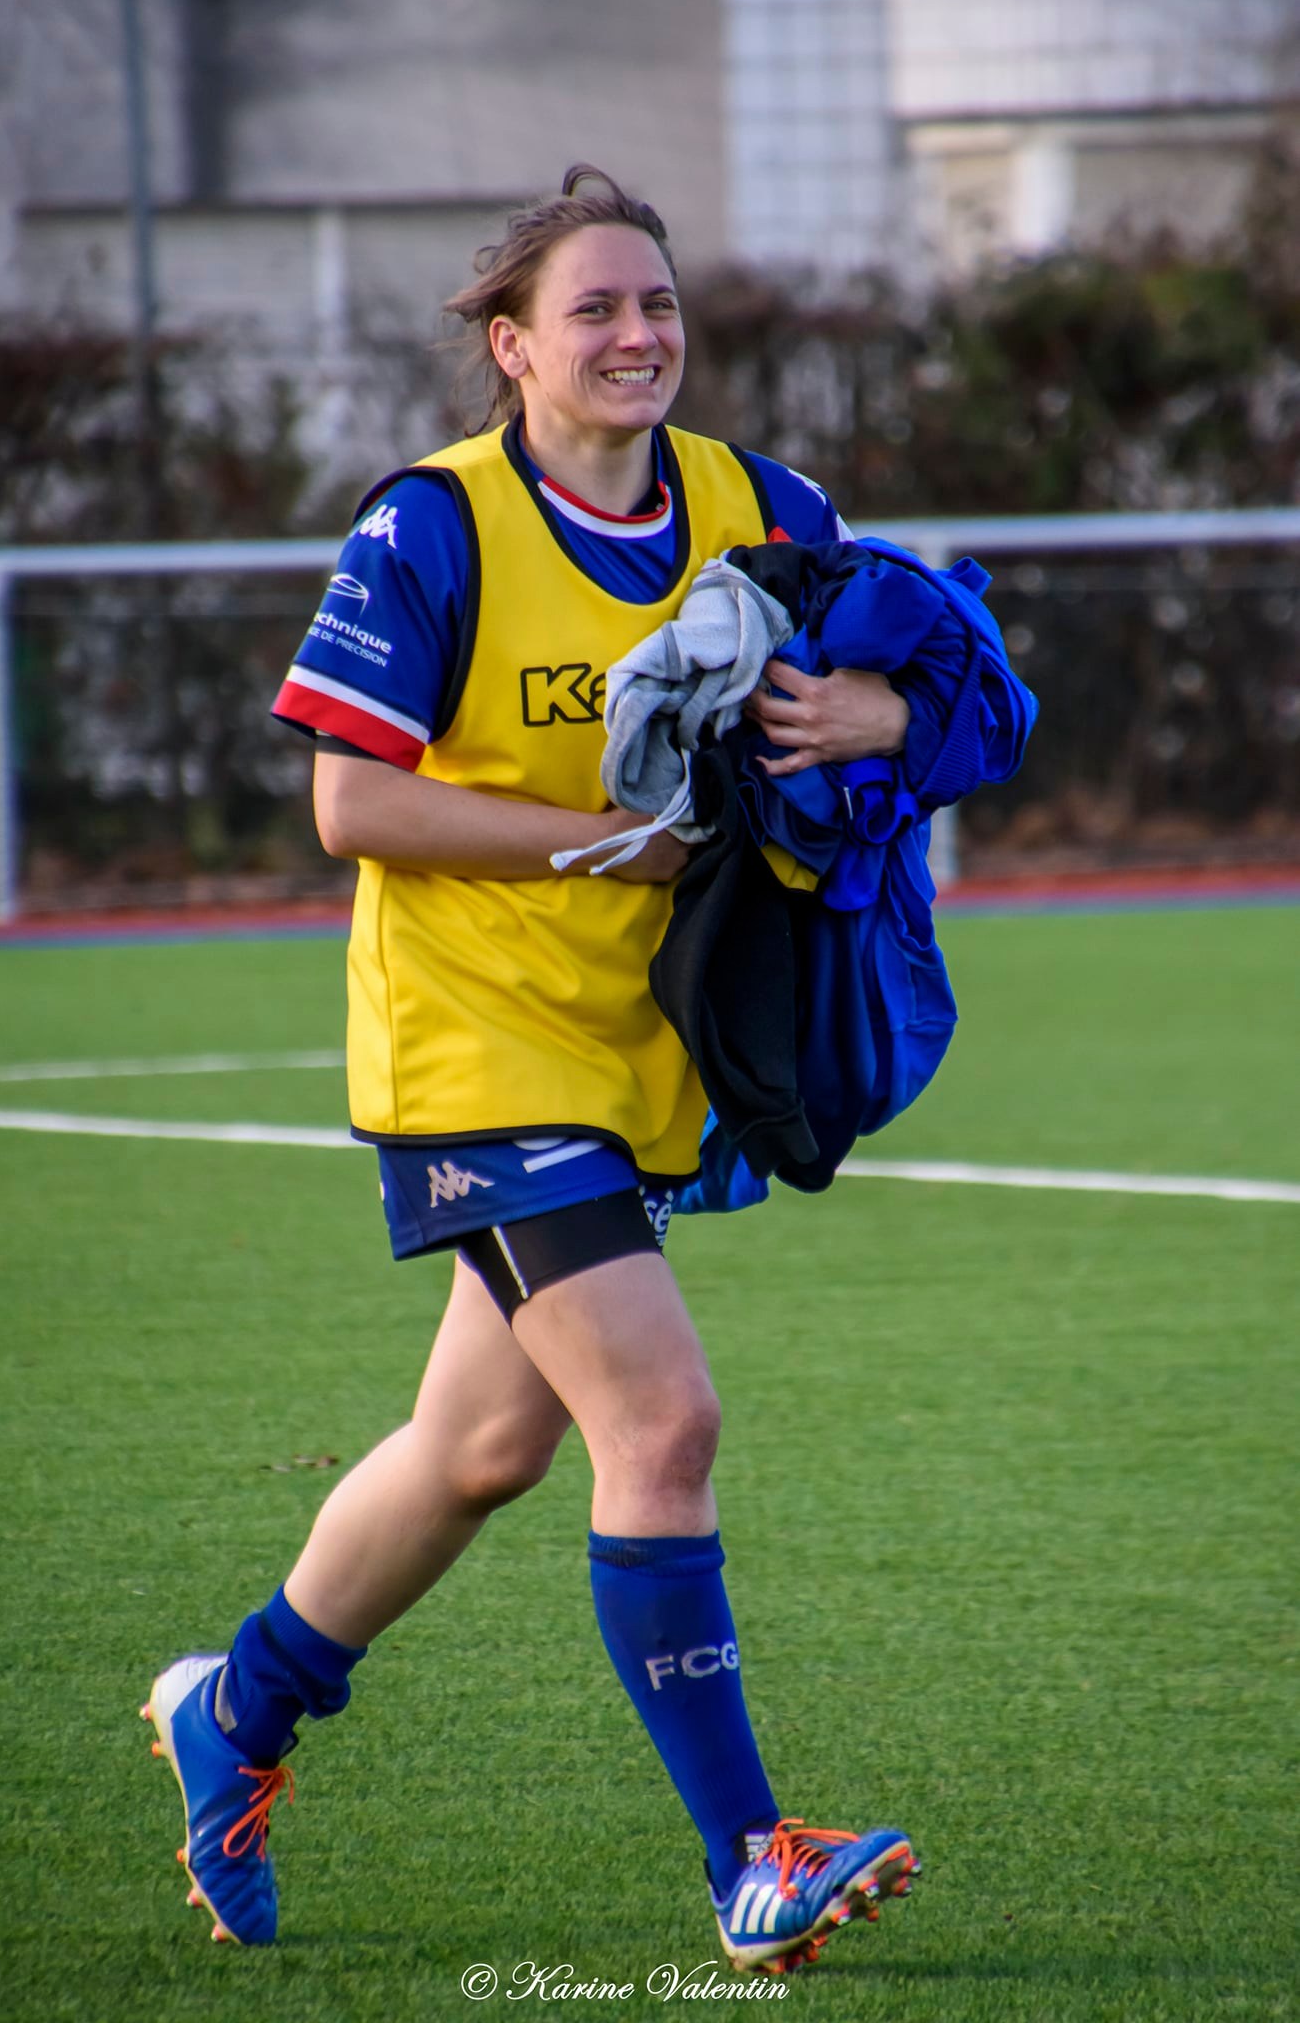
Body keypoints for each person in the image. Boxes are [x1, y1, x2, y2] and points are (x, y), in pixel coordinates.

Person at [142, 165, 920, 1975]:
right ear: (513, 348)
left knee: (475, 1447)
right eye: (594, 310)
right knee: (660, 1423)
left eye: (655, 304)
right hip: (475, 1045)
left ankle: (236, 1714)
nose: (637, 335)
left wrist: (884, 713)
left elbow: (946, 663)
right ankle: (752, 1858)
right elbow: (349, 799)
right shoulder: (431, 528)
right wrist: (617, 843)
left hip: (640, 1045)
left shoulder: (756, 503)